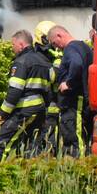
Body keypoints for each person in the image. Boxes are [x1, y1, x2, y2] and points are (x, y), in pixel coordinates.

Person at [0, 30, 54, 162]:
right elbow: (48, 90)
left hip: (24, 110)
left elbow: (14, 91)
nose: (12, 48)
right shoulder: (44, 61)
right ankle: (31, 171)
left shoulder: (21, 62)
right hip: (40, 111)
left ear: (21, 44)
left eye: (13, 44)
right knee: (31, 145)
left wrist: (3, 113)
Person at [49, 26, 94, 157]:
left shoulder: (71, 48)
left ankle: (78, 164)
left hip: (74, 103)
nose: (56, 48)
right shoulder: (84, 47)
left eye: (54, 43)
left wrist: (68, 83)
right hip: (84, 100)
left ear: (59, 35)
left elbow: (76, 63)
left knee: (74, 136)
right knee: (84, 136)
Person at [32, 20, 63, 154]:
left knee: (51, 137)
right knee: (43, 136)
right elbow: (51, 77)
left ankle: (49, 158)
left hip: (54, 105)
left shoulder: (54, 54)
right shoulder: (38, 57)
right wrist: (58, 62)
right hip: (44, 105)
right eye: (47, 38)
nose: (51, 42)